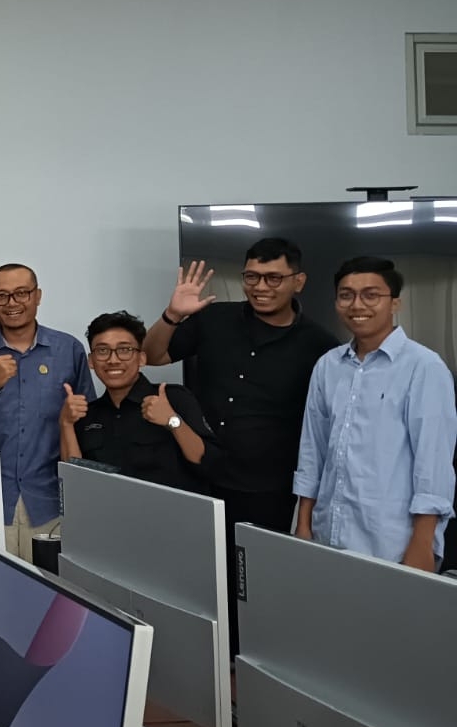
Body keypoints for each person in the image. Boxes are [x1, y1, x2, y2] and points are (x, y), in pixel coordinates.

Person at [142, 238, 338, 536]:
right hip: (195, 471)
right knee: (192, 559)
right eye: (251, 277)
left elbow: (323, 429)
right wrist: (172, 315)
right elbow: (152, 356)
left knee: (256, 564)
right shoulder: (214, 318)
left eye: (273, 278)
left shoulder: (320, 346)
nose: (260, 287)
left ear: (298, 282)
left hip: (265, 489)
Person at [294, 257, 457, 569]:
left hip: (392, 544)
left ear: (395, 302)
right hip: (327, 533)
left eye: (371, 295)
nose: (357, 305)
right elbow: (313, 450)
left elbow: (433, 465)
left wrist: (423, 544)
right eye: (346, 295)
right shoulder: (328, 366)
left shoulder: (424, 367)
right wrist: (303, 524)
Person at [0, 265, 94, 562]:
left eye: (21, 293)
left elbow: (87, 424)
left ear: (38, 295)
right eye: (2, 296)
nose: (12, 303)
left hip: (50, 501)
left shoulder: (68, 350)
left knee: (50, 589)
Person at [59, 312, 219, 493]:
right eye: (102, 351)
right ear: (91, 361)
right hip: (111, 510)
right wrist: (66, 424)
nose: (113, 360)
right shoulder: (88, 414)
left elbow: (210, 464)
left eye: (124, 350)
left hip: (171, 509)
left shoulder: (174, 398)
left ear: (142, 358)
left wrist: (173, 421)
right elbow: (75, 483)